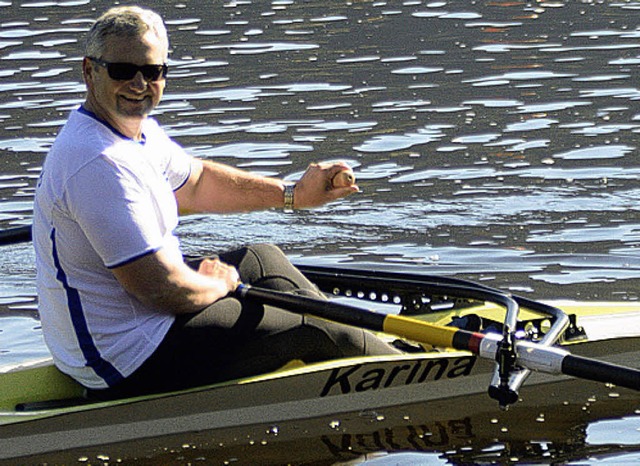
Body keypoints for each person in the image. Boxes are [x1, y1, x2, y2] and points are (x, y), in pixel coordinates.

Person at [33, 6, 400, 400]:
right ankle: (419, 371)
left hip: (139, 321)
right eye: (123, 70)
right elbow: (162, 290)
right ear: (89, 70)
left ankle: (380, 349)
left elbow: (197, 183)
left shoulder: (133, 133)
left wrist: (294, 195)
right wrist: (217, 285)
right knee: (309, 326)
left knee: (263, 259)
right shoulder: (96, 163)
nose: (139, 83)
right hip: (125, 359)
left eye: (153, 71)